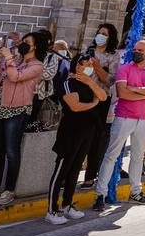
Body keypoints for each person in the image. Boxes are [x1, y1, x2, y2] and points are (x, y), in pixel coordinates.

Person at [92, 38, 145, 210]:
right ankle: (100, 194)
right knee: (111, 156)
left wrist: (136, 89)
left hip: (144, 119)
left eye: (140, 50)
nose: (136, 52)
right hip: (124, 117)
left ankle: (135, 191)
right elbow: (123, 94)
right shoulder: (125, 69)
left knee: (138, 157)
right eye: (135, 49)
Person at [0, 31, 45, 207]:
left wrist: (8, 60)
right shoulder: (13, 61)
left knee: (11, 151)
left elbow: (16, 77)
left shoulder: (37, 66)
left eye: (27, 42)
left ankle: (9, 189)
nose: (22, 44)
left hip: (17, 110)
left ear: (35, 46)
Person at [45, 52, 108, 224]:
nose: (88, 67)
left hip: (87, 132)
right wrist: (93, 104)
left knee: (74, 170)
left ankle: (67, 204)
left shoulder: (89, 83)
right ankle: (51, 210)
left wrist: (90, 82)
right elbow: (75, 106)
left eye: (90, 65)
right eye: (85, 64)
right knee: (62, 170)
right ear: (77, 66)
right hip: (70, 132)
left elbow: (103, 96)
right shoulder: (67, 83)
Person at [81, 23, 121, 188]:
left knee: (96, 139)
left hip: (102, 99)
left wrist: (97, 67)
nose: (100, 36)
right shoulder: (88, 52)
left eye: (104, 33)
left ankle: (90, 175)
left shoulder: (113, 55)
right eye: (99, 32)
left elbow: (111, 80)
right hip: (84, 96)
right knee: (81, 136)